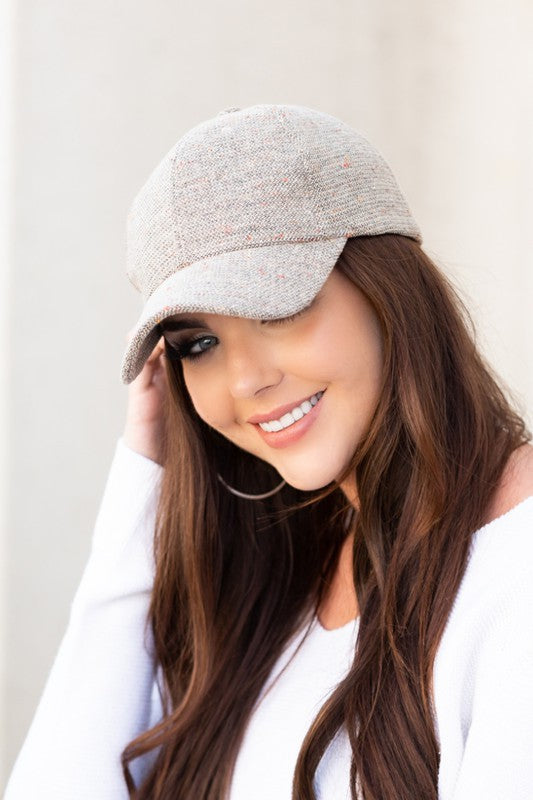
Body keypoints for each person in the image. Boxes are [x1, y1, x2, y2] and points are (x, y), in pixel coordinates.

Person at [5, 104, 533, 800]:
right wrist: (145, 475)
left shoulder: (512, 568)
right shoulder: (280, 574)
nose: (244, 381)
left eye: (274, 309)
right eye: (198, 344)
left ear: (388, 289)